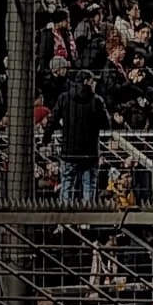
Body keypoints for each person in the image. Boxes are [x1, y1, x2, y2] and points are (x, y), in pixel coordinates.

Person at [41, 68, 109, 204]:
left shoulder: (64, 98)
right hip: (90, 153)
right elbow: (106, 124)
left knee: (66, 185)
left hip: (69, 152)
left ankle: (64, 221)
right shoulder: (97, 100)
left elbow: (52, 120)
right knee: (89, 187)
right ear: (87, 82)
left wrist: (46, 139)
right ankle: (86, 222)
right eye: (93, 81)